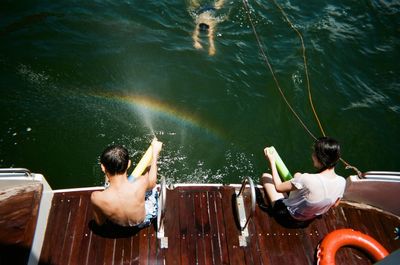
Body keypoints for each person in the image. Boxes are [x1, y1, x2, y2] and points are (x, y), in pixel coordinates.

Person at [261, 137, 346, 227]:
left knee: (266, 177)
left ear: (320, 158)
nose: (312, 155)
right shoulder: (342, 181)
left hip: (286, 216)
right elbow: (335, 205)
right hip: (306, 221)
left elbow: (278, 187)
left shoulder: (307, 179)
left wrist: (272, 162)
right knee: (297, 175)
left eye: (314, 153)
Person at [91, 138, 163, 228]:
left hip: (118, 224)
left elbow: (100, 222)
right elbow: (152, 182)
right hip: (141, 222)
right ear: (129, 164)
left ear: (102, 167)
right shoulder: (140, 182)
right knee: (152, 186)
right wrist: (155, 154)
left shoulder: (96, 197)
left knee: (108, 183)